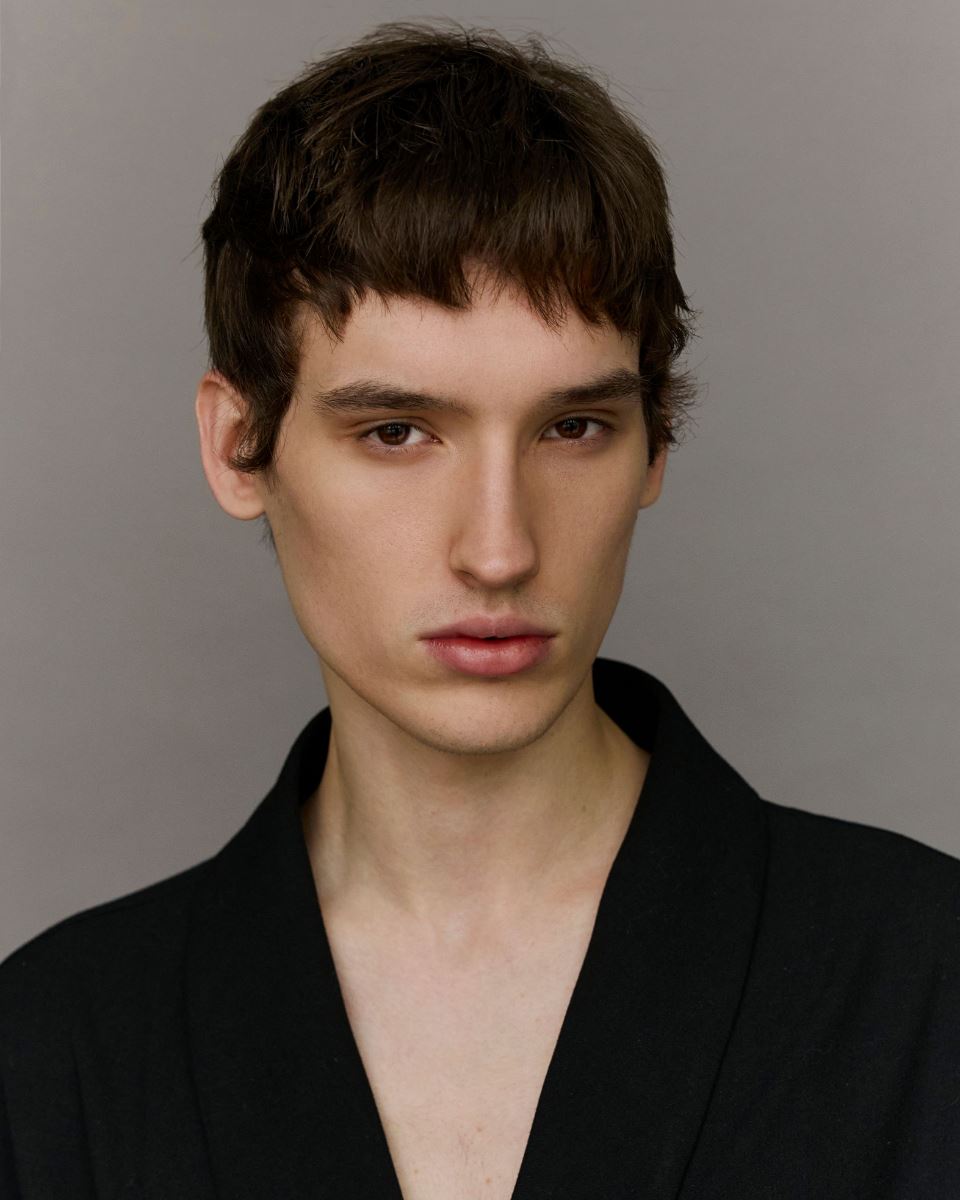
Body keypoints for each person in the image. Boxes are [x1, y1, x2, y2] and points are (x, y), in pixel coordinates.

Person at [2, 19, 958, 1200]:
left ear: (657, 444)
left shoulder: (926, 984)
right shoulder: (53, 1055)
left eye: (574, 427)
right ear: (239, 443)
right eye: (397, 432)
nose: (499, 551)